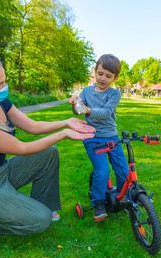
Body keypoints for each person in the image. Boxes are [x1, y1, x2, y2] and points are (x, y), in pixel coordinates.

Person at [0, 49, 95, 243]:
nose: (4, 87)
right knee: (41, 221)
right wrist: (63, 134)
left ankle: (37, 207)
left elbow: (33, 126)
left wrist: (66, 122)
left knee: (49, 152)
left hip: (2, 173)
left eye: (4, 81)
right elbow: (22, 148)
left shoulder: (0, 102)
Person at [69, 54, 129, 222]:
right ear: (95, 71)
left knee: (123, 171)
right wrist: (75, 104)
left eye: (108, 76)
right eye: (100, 73)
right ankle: (99, 203)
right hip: (93, 138)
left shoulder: (114, 94)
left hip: (111, 137)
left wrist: (88, 110)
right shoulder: (87, 91)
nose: (103, 78)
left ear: (115, 78)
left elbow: (106, 113)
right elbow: (79, 109)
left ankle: (124, 199)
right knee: (102, 171)